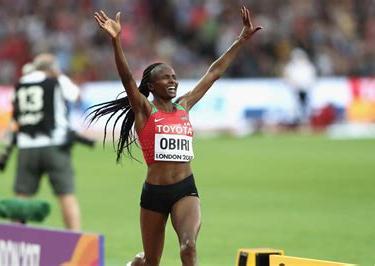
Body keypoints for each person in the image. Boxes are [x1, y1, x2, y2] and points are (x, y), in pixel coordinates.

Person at [88, 6, 261, 265]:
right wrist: (116, 41)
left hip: (185, 190)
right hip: (154, 195)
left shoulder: (185, 105)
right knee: (151, 262)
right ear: (150, 85)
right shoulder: (144, 110)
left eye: (174, 77)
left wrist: (241, 39)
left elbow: (213, 73)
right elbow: (126, 78)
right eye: (165, 78)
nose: (173, 81)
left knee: (188, 248)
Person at [11, 53, 82, 231]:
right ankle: (75, 239)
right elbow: (74, 95)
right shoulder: (56, 80)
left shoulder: (21, 83)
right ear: (52, 67)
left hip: (26, 145)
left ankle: (16, 237)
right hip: (54, 145)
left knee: (22, 197)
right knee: (66, 195)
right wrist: (58, 75)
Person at [283, 47, 317, 126]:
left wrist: (305, 86)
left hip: (306, 91)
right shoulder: (290, 67)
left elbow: (312, 79)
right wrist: (294, 85)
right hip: (294, 91)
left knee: (306, 107)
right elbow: (287, 78)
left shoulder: (308, 67)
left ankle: (305, 121)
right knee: (295, 107)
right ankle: (295, 121)